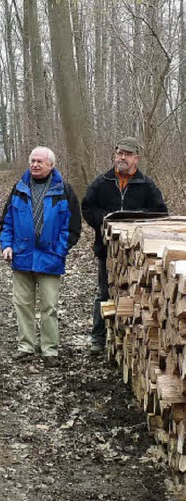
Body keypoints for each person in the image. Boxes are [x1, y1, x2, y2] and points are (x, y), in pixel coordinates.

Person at [82, 136, 167, 355]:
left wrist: (135, 221)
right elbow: (87, 208)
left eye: (128, 154)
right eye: (119, 153)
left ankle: (130, 341)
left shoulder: (146, 185)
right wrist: (106, 221)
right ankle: (98, 339)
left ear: (136, 159)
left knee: (134, 295)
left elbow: (161, 213)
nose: (122, 157)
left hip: (138, 253)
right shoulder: (102, 182)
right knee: (103, 293)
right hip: (106, 249)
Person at [0, 146, 81, 367]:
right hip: (22, 257)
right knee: (22, 305)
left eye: (40, 162)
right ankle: (26, 347)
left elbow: (73, 227)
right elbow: (6, 222)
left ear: (51, 165)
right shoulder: (19, 188)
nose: (35, 165)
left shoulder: (64, 190)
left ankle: (50, 350)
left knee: (49, 307)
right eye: (32, 161)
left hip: (50, 257)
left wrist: (59, 249)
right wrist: (6, 245)